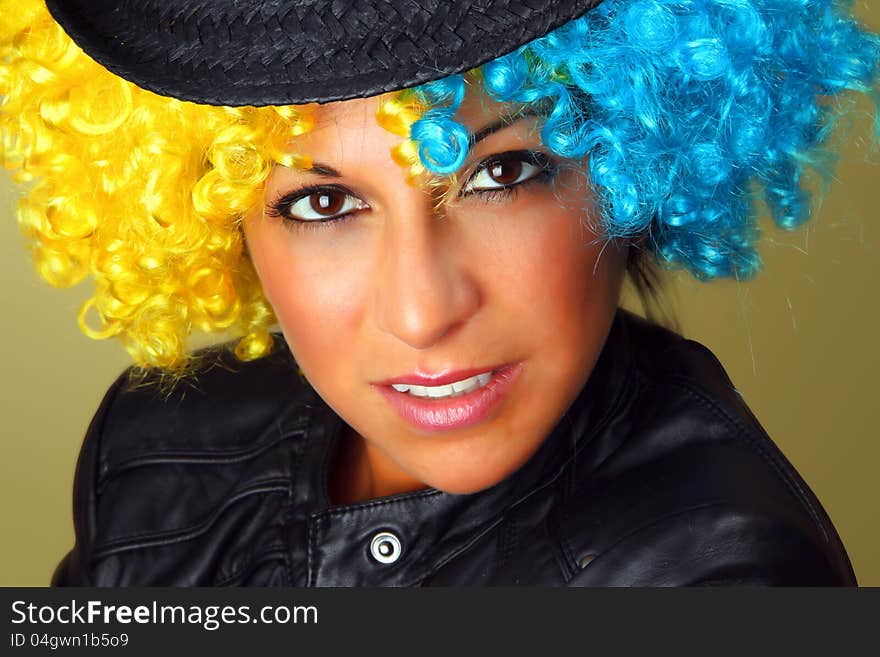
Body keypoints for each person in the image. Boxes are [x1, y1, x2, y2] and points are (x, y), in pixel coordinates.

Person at [1, 0, 877, 586]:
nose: (423, 312)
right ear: (220, 215)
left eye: (502, 173)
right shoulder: (150, 454)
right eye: (322, 201)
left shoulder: (718, 570)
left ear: (631, 163)